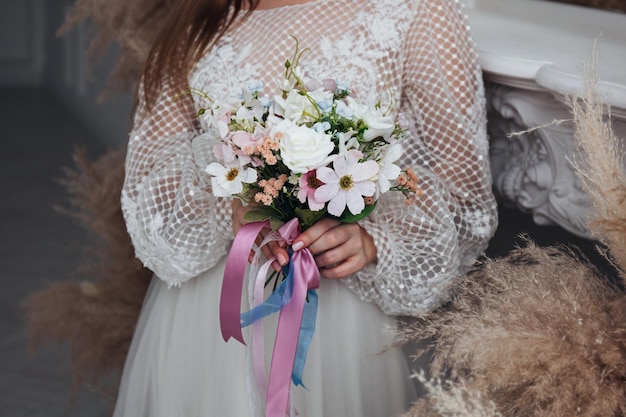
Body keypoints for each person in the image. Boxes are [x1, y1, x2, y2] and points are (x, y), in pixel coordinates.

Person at [114, 0, 498, 415]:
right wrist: (225, 210)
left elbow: (465, 189)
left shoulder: (416, 10)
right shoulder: (198, 20)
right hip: (212, 312)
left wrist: (374, 241)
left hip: (345, 315)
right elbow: (148, 183)